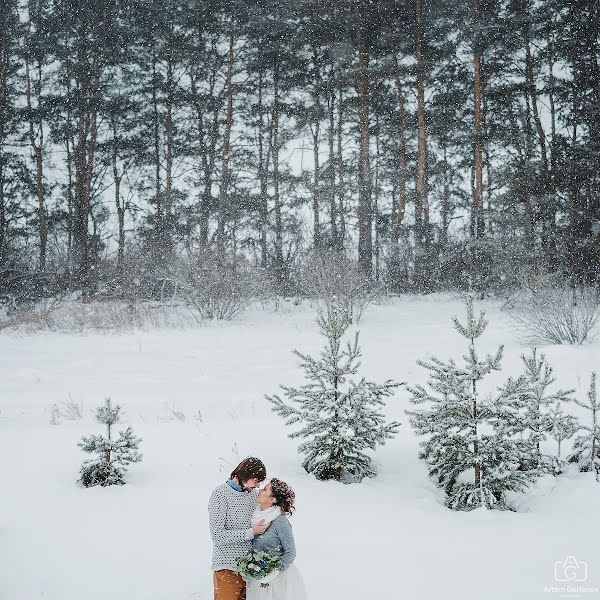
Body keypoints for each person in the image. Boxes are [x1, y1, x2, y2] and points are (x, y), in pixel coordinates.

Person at [209, 457, 270, 600]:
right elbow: (217, 536)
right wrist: (250, 532)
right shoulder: (220, 494)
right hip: (227, 569)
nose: (258, 485)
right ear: (245, 474)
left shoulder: (253, 496)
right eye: (256, 480)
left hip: (251, 571)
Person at [247, 478, 306, 600]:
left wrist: (274, 571)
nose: (260, 490)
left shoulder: (280, 521)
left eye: (265, 489)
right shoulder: (254, 516)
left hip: (279, 580)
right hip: (257, 577)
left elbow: (290, 552)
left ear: (272, 499)